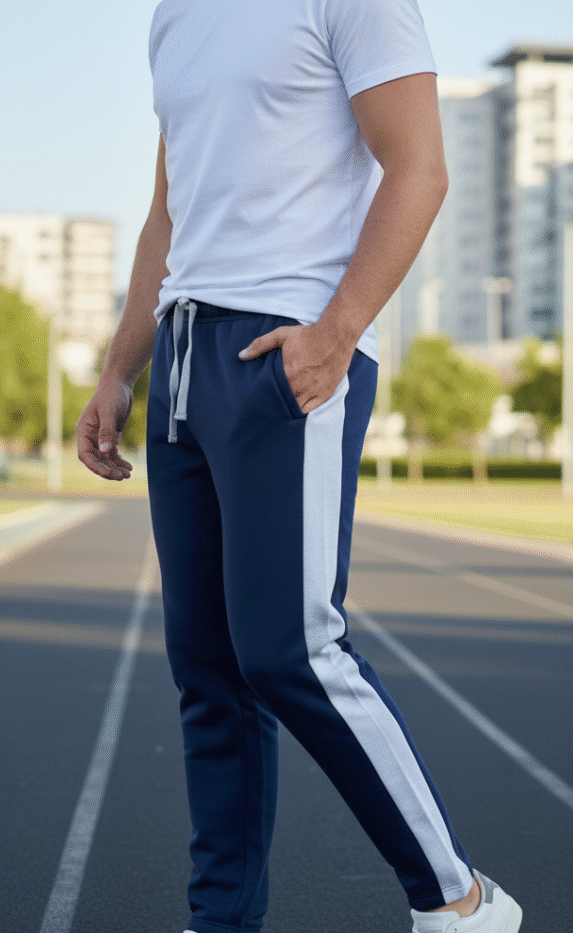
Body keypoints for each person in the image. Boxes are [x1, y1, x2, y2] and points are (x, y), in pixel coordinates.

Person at [76, 1, 523, 931]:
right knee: (208, 669)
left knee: (293, 649)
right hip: (186, 354)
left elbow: (420, 169)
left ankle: (459, 902)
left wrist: (336, 333)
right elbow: (169, 213)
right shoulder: (176, 14)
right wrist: (121, 368)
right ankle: (222, 919)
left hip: (283, 349)